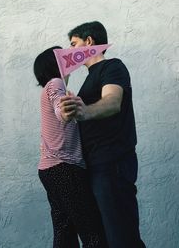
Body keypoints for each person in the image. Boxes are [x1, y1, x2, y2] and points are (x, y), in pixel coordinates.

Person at [59, 21, 146, 248]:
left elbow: (112, 101)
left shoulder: (112, 67)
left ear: (89, 42)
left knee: (122, 239)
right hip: (94, 166)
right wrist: (64, 75)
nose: (69, 51)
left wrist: (85, 111)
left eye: (73, 44)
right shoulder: (88, 79)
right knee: (105, 239)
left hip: (111, 165)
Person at [34, 46, 108, 248]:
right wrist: (66, 111)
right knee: (93, 233)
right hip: (65, 168)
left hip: (50, 170)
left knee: (65, 231)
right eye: (64, 57)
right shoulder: (55, 83)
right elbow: (60, 108)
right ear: (56, 63)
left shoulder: (50, 89)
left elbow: (58, 104)